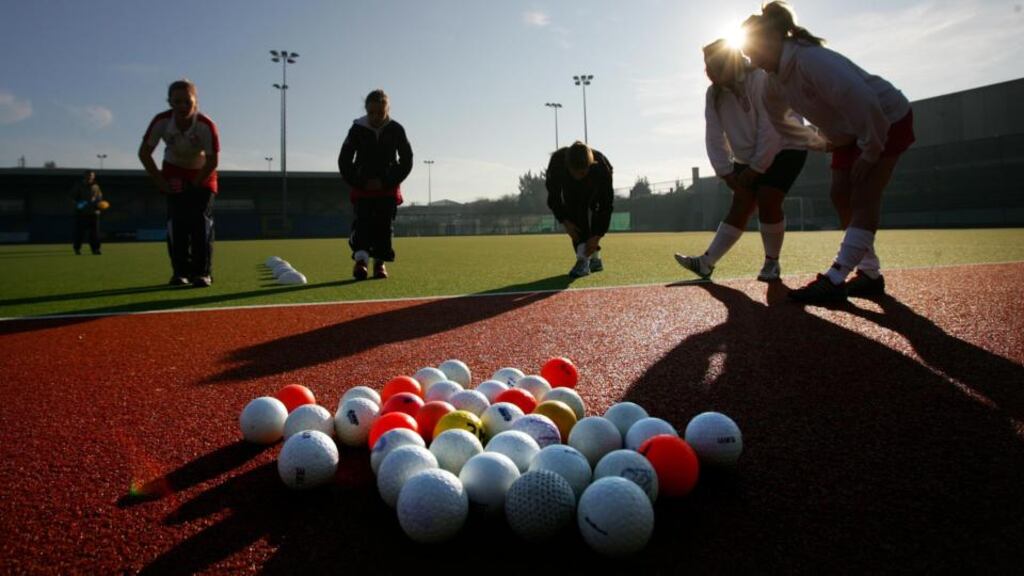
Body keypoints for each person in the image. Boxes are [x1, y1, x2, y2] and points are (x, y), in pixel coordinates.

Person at [743, 1, 915, 302]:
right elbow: (781, 123)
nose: (750, 58)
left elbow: (862, 99)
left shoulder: (810, 60)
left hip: (885, 119)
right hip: (848, 131)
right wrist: (821, 142)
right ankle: (870, 274)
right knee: (840, 194)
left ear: (771, 40)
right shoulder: (772, 83)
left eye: (751, 50)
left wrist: (871, 150)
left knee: (864, 194)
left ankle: (835, 279)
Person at [675, 39, 822, 282]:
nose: (708, 72)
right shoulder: (713, 95)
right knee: (740, 204)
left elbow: (770, 127)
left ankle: (771, 264)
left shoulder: (760, 79)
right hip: (748, 155)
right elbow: (713, 135)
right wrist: (725, 172)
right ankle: (706, 263)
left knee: (768, 198)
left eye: (712, 65)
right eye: (706, 67)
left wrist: (755, 169)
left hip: (786, 145)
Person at [138, 79, 220, 288]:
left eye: (187, 102)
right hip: (173, 170)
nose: (182, 106)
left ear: (196, 102)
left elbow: (212, 160)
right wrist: (160, 180)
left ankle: (202, 273)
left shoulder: (205, 125)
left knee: (201, 223)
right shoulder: (161, 122)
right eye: (177, 102)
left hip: (203, 171)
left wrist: (196, 183)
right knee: (177, 223)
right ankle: (181, 272)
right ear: (170, 102)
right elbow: (145, 153)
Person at [338, 89, 413, 280]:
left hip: (387, 190)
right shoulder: (356, 129)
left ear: (387, 111)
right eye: (371, 112)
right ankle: (361, 262)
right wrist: (361, 181)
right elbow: (344, 160)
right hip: (363, 190)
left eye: (380, 113)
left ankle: (380, 263)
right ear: (366, 110)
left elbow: (407, 160)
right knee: (362, 224)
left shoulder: (396, 129)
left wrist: (386, 181)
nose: (376, 117)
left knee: (384, 226)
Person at [545, 141, 615, 278]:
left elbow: (606, 205)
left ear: (590, 165)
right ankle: (586, 259)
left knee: (594, 208)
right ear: (568, 166)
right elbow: (554, 197)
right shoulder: (557, 164)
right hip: (568, 185)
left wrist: (597, 236)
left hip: (594, 180)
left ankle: (589, 258)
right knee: (573, 211)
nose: (578, 177)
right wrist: (564, 221)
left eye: (582, 173)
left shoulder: (600, 168)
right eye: (575, 172)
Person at [71, 170, 103, 255]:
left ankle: (96, 249)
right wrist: (79, 205)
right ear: (84, 176)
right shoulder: (78, 186)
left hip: (94, 213)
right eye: (88, 175)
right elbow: (73, 199)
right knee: (79, 233)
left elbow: (99, 198)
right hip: (82, 214)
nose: (90, 177)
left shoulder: (96, 186)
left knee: (95, 233)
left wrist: (99, 205)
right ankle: (77, 249)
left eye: (91, 176)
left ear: (94, 177)